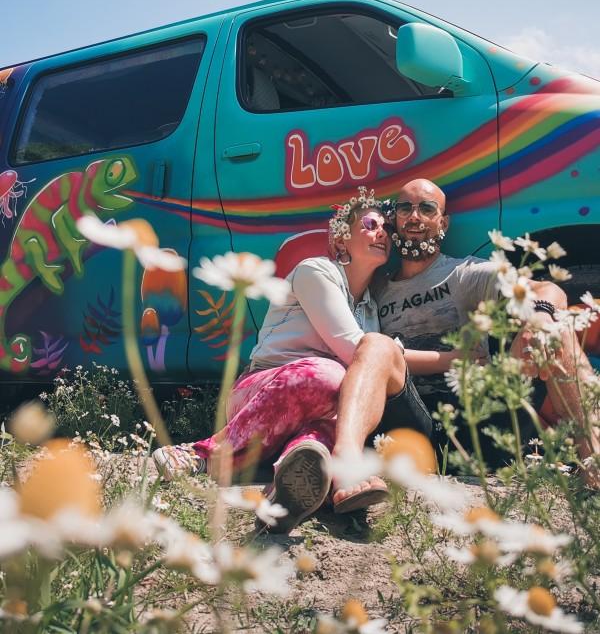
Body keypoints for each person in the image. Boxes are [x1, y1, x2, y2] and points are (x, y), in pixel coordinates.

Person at [153, 186, 448, 531]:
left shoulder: (370, 306)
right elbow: (356, 351)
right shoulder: (315, 272)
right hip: (265, 390)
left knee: (328, 428)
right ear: (340, 241)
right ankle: (202, 454)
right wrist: (449, 359)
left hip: (324, 404)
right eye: (369, 224)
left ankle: (288, 487)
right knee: (330, 376)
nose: (381, 231)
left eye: (385, 227)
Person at [372, 177, 600, 484]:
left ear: (443, 222)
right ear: (393, 218)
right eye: (405, 208)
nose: (414, 217)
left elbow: (549, 289)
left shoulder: (464, 273)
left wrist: (540, 318)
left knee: (552, 326)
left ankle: (593, 462)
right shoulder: (375, 288)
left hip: (481, 423)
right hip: (415, 426)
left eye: (427, 208)